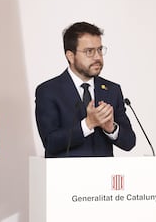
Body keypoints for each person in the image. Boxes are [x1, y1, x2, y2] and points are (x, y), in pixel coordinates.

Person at [35, 21, 136, 158]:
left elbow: (129, 142)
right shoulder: (48, 91)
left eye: (100, 50)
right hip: (65, 176)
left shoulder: (112, 90)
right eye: (89, 51)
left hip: (104, 176)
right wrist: (88, 124)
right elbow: (51, 142)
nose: (97, 57)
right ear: (70, 56)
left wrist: (111, 128)